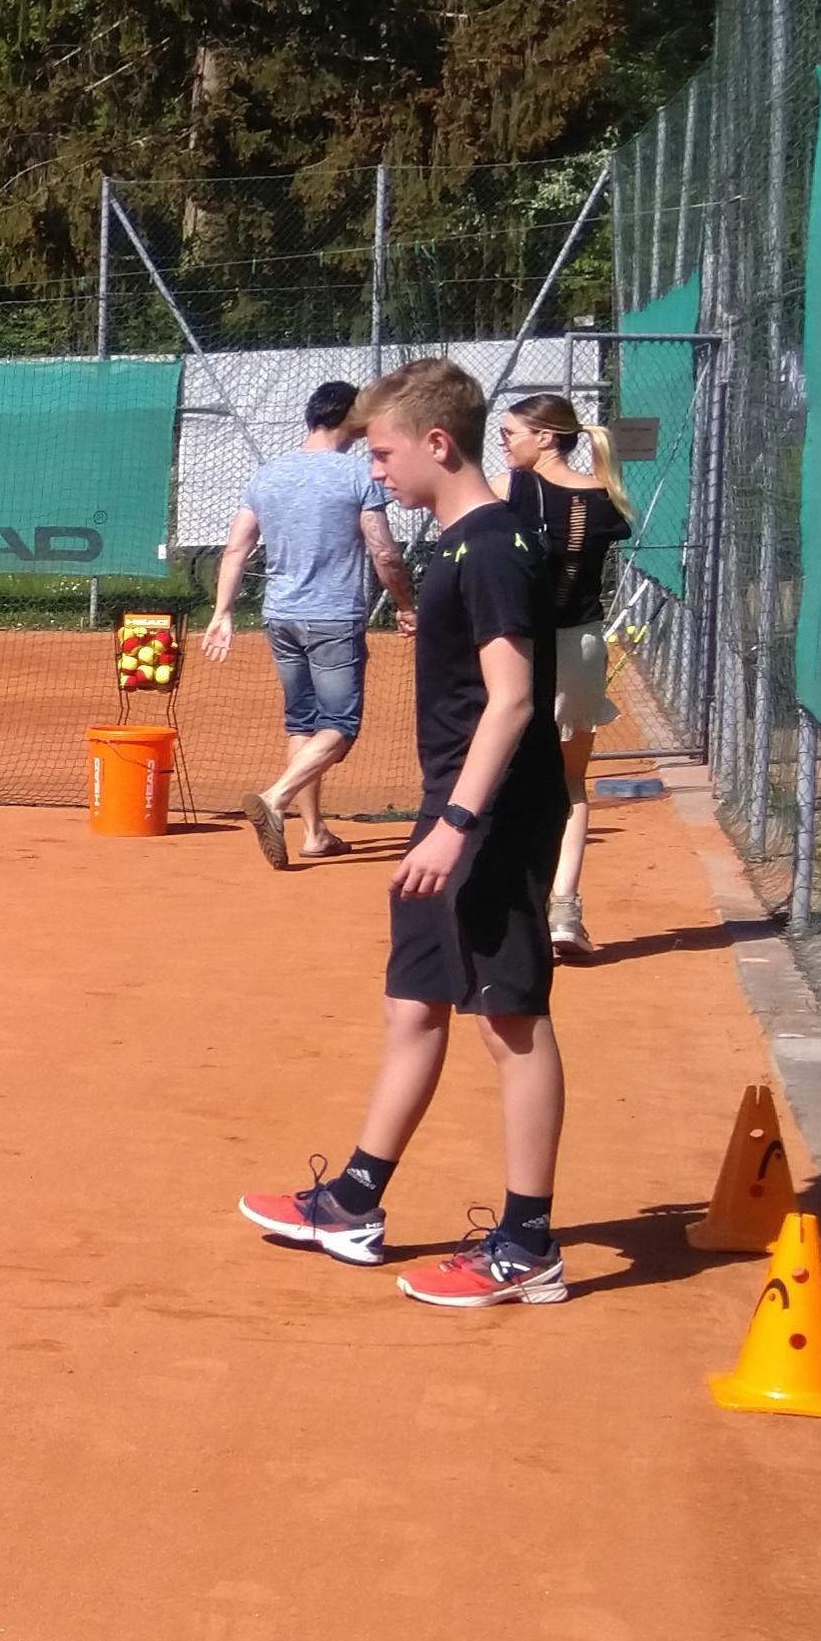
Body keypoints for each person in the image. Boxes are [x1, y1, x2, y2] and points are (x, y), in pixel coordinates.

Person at [238, 358, 574, 1308]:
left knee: (510, 1019)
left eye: (382, 453)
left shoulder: (495, 546)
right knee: (413, 1004)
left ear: (436, 443)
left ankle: (528, 1244)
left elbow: (513, 700)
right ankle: (354, 1201)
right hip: (450, 809)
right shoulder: (458, 544)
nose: (373, 469)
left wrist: (456, 824)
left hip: (490, 814)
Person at [202, 382, 417, 868]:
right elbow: (384, 551)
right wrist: (406, 604)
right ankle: (275, 798)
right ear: (353, 420)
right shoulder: (359, 474)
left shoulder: (267, 475)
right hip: (334, 617)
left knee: (303, 722)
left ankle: (315, 832)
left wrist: (222, 612)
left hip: (280, 616)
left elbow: (236, 548)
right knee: (340, 724)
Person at [501, 395, 635, 959]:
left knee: (507, 777)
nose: (504, 444)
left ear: (545, 437)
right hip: (580, 645)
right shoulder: (605, 496)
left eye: (510, 433)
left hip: (519, 650)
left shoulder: (506, 492)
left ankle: (513, 909)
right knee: (571, 783)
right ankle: (564, 911)